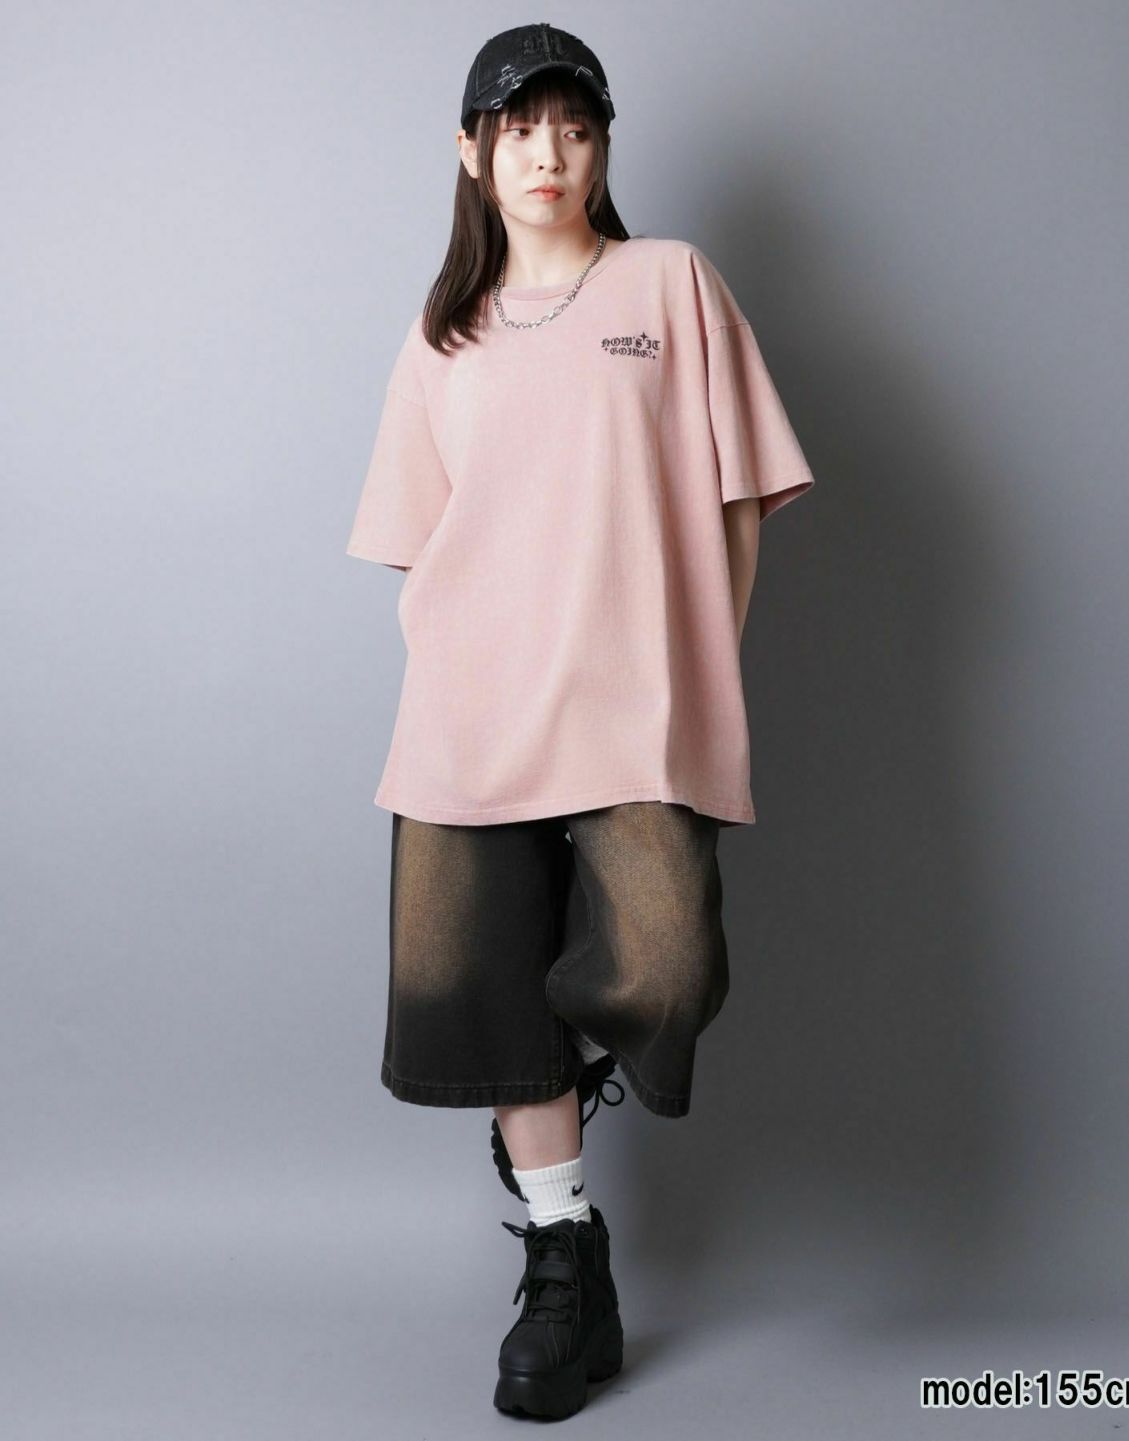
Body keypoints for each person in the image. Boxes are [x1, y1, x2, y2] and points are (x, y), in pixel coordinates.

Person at [345, 22, 816, 1421]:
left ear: (603, 146)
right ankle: (563, 1257)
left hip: (633, 708)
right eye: (519, 127)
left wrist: (699, 661)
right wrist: (461, 667)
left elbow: (740, 495)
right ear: (471, 151)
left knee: (661, 967)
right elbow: (420, 545)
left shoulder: (668, 282)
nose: (547, 152)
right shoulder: (443, 336)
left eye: (575, 125)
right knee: (478, 993)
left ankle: (560, 1158)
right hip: (472, 715)